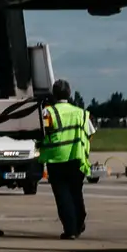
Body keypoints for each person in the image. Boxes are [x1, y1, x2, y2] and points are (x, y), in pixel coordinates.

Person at [38, 78, 95, 239]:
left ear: (54, 95)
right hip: (77, 157)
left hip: (56, 159)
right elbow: (90, 133)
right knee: (76, 192)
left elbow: (41, 134)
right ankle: (79, 222)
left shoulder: (48, 113)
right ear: (69, 94)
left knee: (63, 196)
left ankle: (71, 229)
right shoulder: (81, 113)